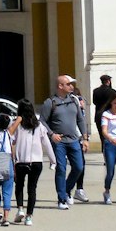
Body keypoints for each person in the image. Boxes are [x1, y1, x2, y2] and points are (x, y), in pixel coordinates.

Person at [39, 73, 89, 209]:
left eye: (72, 84)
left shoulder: (74, 100)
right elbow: (42, 121)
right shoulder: (50, 102)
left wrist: (85, 138)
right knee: (61, 168)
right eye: (68, 84)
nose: (72, 86)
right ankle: (61, 199)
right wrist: (51, 134)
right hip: (59, 141)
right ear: (60, 86)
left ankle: (67, 189)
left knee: (79, 167)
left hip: (73, 140)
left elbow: (80, 120)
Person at [9, 98, 53, 225]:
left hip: (21, 161)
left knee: (19, 186)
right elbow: (47, 144)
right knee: (32, 188)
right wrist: (53, 160)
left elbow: (11, 138)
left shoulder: (17, 124)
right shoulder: (39, 125)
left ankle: (20, 209)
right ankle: (29, 217)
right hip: (36, 162)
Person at [92, 74, 116, 144]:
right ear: (108, 81)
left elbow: (94, 102)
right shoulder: (112, 92)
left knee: (102, 136)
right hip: (109, 115)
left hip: (98, 115)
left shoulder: (96, 91)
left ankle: (105, 152)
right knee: (110, 135)